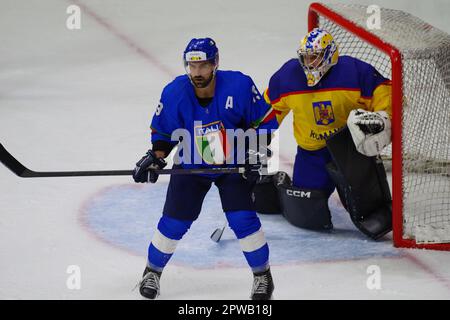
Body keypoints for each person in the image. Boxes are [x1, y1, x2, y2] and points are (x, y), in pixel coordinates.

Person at [132, 38, 278, 300]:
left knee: (242, 220)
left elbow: (266, 122)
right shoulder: (174, 92)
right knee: (174, 222)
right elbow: (164, 134)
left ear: (215, 63)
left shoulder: (240, 85)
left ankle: (262, 276)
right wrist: (156, 157)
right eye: (192, 66)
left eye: (203, 66)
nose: (197, 73)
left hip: (233, 165)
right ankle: (152, 271)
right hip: (192, 164)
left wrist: (255, 153)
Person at [263, 28, 392, 235]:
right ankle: (279, 182)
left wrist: (384, 117)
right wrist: (253, 138)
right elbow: (268, 111)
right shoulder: (287, 77)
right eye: (305, 58)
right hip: (311, 153)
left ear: (330, 54)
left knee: (374, 217)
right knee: (307, 215)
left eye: (314, 57)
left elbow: (384, 93)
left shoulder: (355, 72)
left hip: (351, 151)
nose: (309, 63)